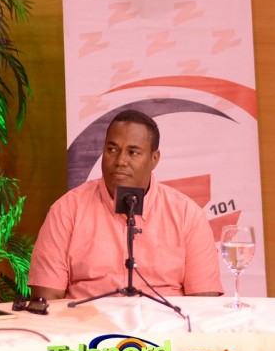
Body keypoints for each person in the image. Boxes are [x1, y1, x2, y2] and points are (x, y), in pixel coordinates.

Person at [29, 109, 223, 300]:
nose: (120, 161)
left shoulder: (188, 215)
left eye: (133, 152)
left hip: (162, 320)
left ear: (154, 159)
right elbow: (46, 298)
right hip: (88, 320)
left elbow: (204, 302)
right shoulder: (66, 210)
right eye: (112, 150)